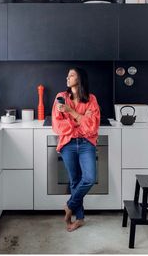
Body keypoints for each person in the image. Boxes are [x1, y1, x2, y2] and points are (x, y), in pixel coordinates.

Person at [52, 67, 100, 232]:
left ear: (80, 79)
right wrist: (81, 120)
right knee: (75, 180)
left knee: (89, 178)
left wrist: (71, 112)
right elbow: (58, 126)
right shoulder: (61, 98)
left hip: (87, 144)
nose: (67, 77)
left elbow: (93, 127)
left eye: (71, 75)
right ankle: (79, 218)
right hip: (68, 144)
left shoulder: (91, 100)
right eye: (67, 75)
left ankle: (69, 206)